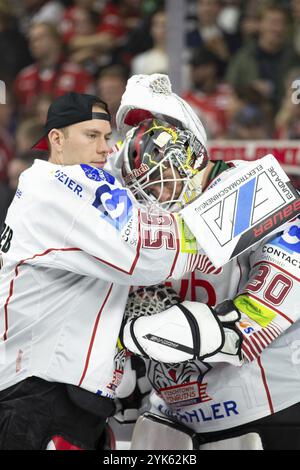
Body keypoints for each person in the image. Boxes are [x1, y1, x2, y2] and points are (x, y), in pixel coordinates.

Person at [0, 90, 208, 450]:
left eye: (107, 137)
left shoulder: (64, 183)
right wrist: (230, 215)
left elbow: (119, 172)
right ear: (57, 139)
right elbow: (144, 255)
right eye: (91, 136)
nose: (103, 148)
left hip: (64, 393)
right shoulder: (56, 188)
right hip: (38, 396)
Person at [110, 74, 300, 450]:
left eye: (163, 180)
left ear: (192, 156)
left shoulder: (247, 184)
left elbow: (276, 289)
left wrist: (226, 328)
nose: (157, 196)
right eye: (146, 187)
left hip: (266, 403)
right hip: (177, 415)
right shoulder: (136, 212)